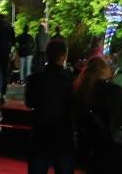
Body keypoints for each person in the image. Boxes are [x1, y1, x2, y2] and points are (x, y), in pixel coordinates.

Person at [74, 56, 122, 174]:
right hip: (120, 150)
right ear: (102, 71)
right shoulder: (115, 91)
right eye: (107, 67)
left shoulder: (81, 93)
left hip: (94, 152)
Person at [25, 39, 75, 174]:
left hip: (40, 131)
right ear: (63, 56)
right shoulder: (70, 80)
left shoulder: (35, 79)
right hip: (63, 133)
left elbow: (29, 103)